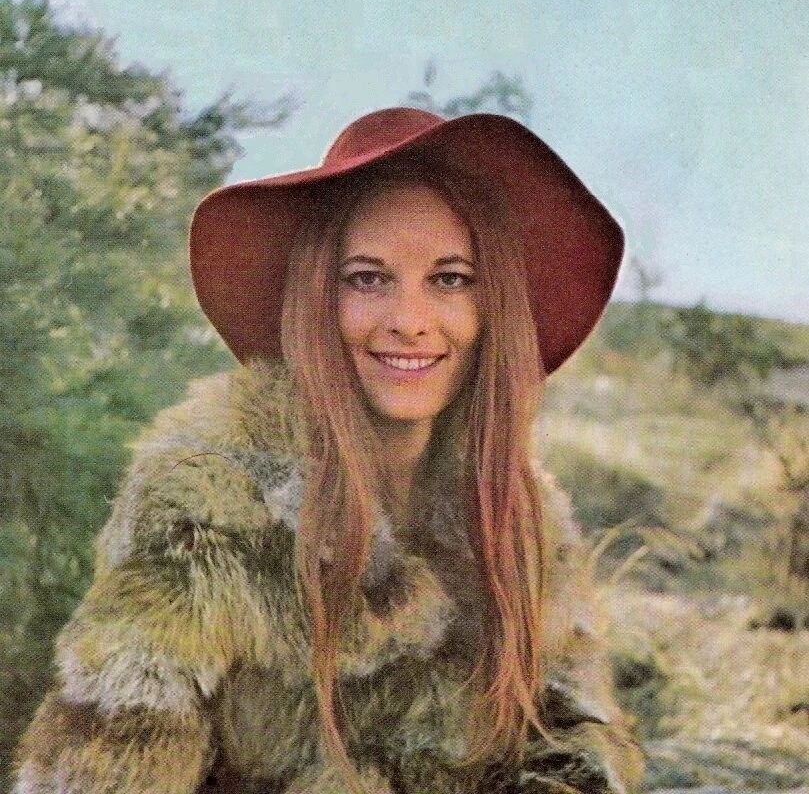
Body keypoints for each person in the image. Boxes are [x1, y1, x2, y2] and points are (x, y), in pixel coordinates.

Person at [13, 108, 645, 794]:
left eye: (450, 279)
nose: (409, 322)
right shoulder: (212, 505)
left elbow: (576, 741)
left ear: (492, 307)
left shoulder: (524, 516)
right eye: (367, 278)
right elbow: (100, 768)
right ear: (316, 297)